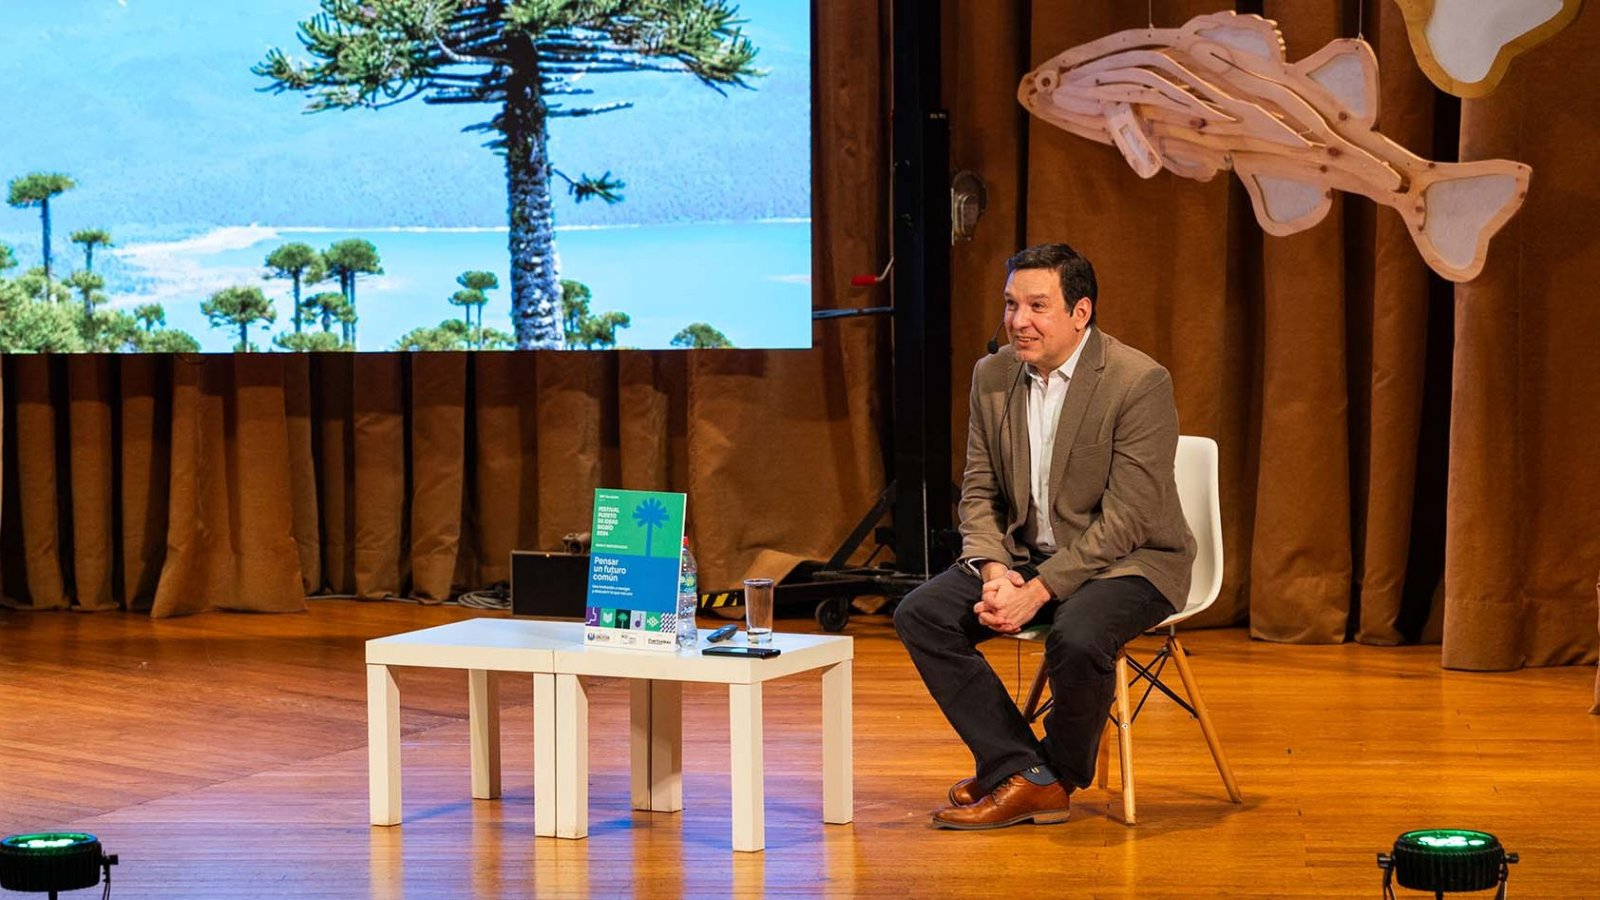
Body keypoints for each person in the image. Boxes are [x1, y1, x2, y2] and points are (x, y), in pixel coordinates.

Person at [894, 242, 1196, 829]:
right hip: (1024, 554)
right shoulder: (993, 375)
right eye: (1010, 304)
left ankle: (1053, 775)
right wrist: (993, 569)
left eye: (1037, 305)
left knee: (1079, 636)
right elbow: (978, 490)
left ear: (1080, 312)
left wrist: (1039, 592)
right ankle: (1021, 769)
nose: (1017, 321)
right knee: (921, 615)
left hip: (1132, 561)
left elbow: (1130, 517)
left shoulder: (1138, 381)